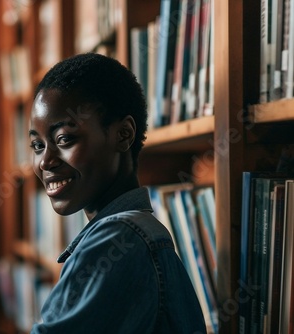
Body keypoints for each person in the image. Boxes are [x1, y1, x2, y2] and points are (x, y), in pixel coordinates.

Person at [28, 53, 207, 333]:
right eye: (37, 145)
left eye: (64, 139)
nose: (44, 161)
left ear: (123, 135)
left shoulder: (120, 240)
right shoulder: (134, 233)